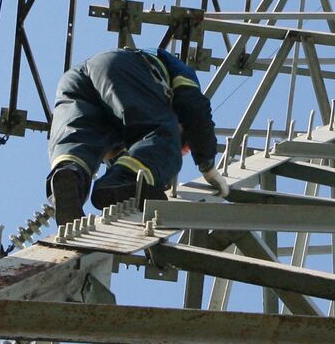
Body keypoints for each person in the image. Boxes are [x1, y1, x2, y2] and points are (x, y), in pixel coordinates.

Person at [45, 46, 226, 223]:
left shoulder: (125, 137)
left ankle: (70, 177)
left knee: (79, 139)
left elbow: (117, 172)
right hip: (124, 67)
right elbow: (195, 108)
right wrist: (207, 163)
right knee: (160, 133)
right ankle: (125, 180)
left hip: (75, 79)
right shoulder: (176, 71)